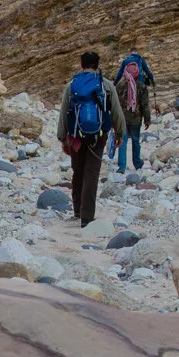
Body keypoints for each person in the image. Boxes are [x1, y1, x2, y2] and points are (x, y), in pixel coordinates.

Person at [55, 50, 126, 225]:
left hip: (76, 136)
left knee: (78, 171)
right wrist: (119, 133)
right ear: (97, 65)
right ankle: (87, 217)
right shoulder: (106, 85)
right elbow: (116, 111)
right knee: (91, 173)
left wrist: (63, 138)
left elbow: (64, 113)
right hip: (98, 135)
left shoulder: (72, 85)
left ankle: (77, 210)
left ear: (81, 65)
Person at [113, 52, 153, 173]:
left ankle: (122, 166)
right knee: (135, 140)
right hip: (136, 118)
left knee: (122, 140)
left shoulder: (119, 86)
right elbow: (145, 105)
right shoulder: (141, 86)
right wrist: (147, 119)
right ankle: (137, 163)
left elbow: (114, 104)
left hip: (122, 118)